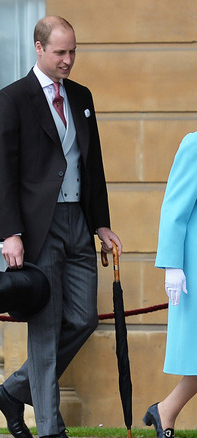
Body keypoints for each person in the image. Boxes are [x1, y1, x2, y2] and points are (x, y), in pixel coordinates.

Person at [0, 16, 122, 438]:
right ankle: (49, 429)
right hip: (36, 229)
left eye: (73, 51)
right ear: (39, 48)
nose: (68, 60)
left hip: (78, 223)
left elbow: (90, 164)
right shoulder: (13, 99)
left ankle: (14, 391)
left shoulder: (81, 96)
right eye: (60, 52)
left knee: (83, 319)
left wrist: (101, 224)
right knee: (44, 330)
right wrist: (11, 232)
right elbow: (0, 171)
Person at [142, 132, 197, 438]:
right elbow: (174, 208)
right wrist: (172, 264)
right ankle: (165, 411)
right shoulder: (195, 144)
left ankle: (165, 411)